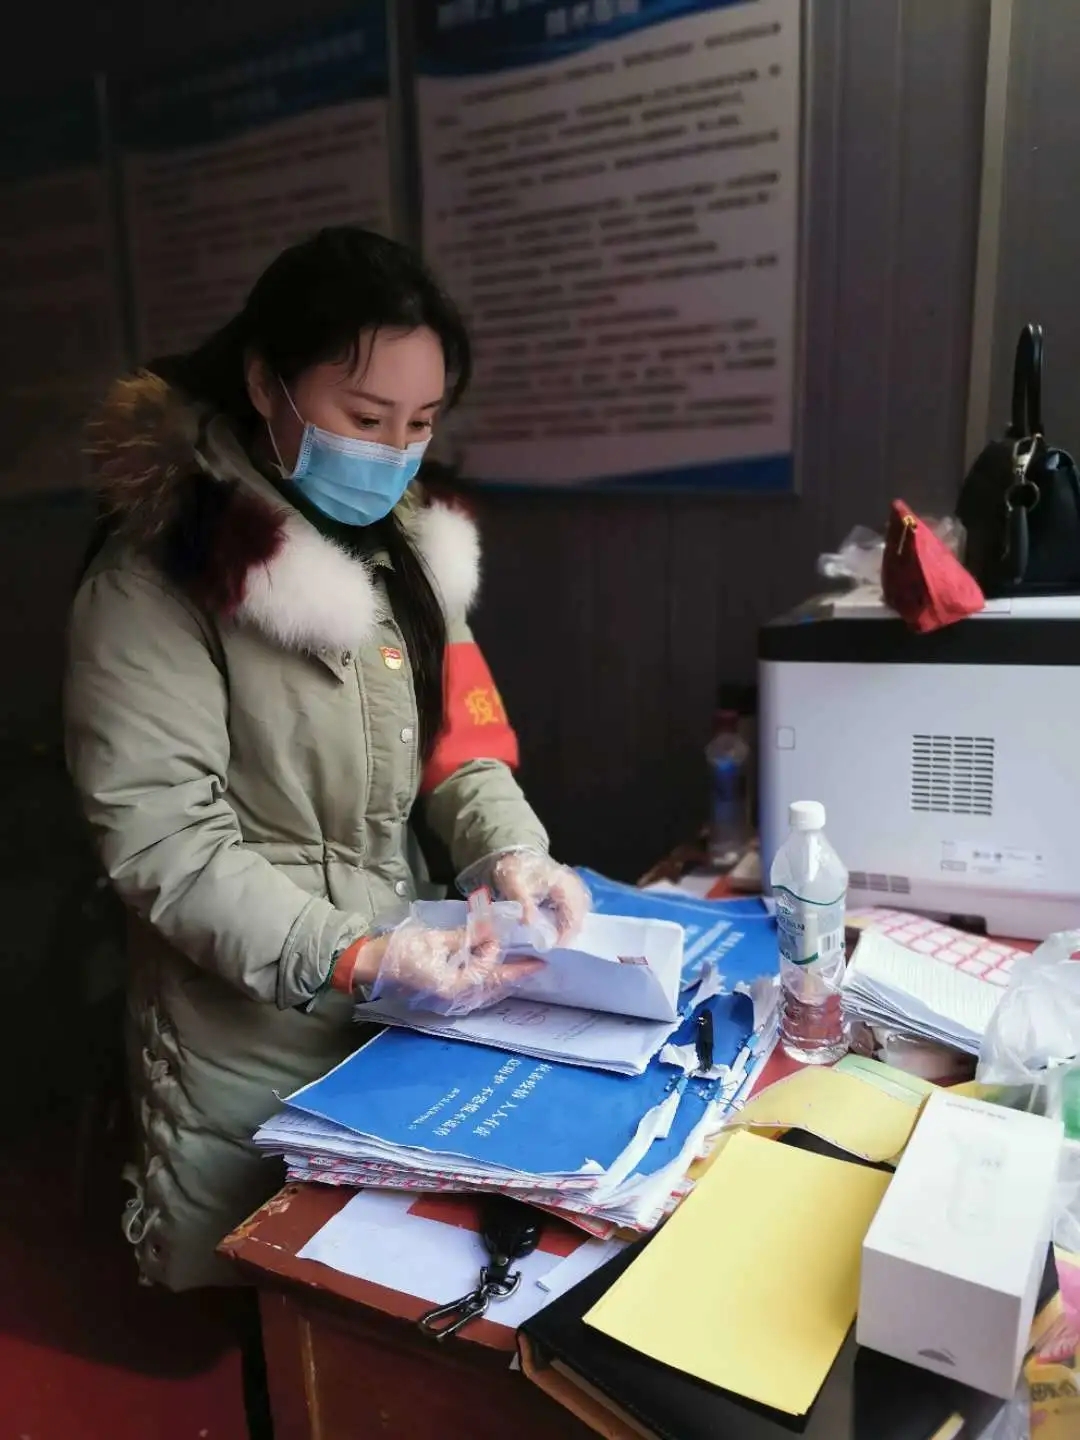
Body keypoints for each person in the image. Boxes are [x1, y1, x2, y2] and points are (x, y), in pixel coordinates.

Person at [63, 226, 588, 1302]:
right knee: (274, 1317)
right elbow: (165, 841)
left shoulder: (406, 553)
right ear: (268, 384)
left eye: (420, 423)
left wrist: (511, 855)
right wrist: (351, 954)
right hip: (245, 1030)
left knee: (405, 1306)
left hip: (406, 1005)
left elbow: (461, 749)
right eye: (364, 417)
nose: (394, 452)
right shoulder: (156, 580)